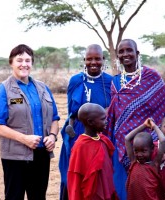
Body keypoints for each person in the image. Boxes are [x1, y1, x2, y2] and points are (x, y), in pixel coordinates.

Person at [0, 44, 60, 200]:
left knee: (39, 196)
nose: (24, 64)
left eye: (28, 60)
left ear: (32, 63)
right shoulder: (3, 90)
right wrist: (24, 139)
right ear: (11, 63)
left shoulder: (43, 88)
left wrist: (52, 137)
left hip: (41, 155)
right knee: (14, 196)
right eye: (19, 60)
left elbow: (54, 118)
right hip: (15, 157)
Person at [104, 38, 165, 199]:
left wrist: (161, 138)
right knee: (124, 188)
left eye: (129, 50)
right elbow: (113, 115)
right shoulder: (115, 82)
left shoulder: (151, 77)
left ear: (137, 53)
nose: (125, 54)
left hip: (149, 143)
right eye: (121, 51)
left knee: (148, 188)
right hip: (122, 144)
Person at [59, 44, 113, 199]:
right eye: (89, 59)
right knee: (72, 176)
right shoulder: (75, 80)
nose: (93, 62)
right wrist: (70, 127)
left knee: (97, 176)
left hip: (101, 133)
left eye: (97, 58)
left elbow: (113, 109)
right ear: (84, 60)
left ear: (103, 60)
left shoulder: (110, 81)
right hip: (77, 133)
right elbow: (72, 112)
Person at [67, 103, 118, 200]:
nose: (106, 122)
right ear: (90, 122)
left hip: (106, 191)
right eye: (103, 119)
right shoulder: (80, 146)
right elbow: (75, 178)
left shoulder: (103, 140)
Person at [124, 118, 165, 200]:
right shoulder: (134, 161)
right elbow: (127, 138)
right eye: (136, 151)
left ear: (152, 149)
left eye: (143, 151)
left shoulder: (154, 165)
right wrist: (144, 125)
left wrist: (154, 126)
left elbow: (163, 141)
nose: (139, 154)